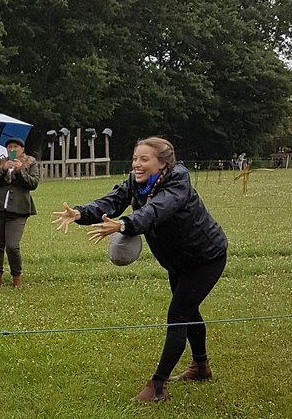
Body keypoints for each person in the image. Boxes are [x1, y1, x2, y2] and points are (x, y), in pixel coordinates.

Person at [52, 137, 227, 403]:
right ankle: (201, 367)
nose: (137, 164)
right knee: (188, 311)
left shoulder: (177, 182)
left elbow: (156, 211)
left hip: (206, 257)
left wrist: (123, 225)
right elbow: (112, 201)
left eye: (144, 159)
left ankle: (158, 386)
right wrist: (79, 213)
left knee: (178, 314)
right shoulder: (137, 183)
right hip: (177, 260)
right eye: (135, 159)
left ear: (162, 163)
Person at [0, 137, 38, 288]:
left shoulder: (30, 163)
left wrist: (20, 170)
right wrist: (2, 170)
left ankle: (16, 277)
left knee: (13, 246)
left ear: (22, 149)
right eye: (9, 147)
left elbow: (33, 184)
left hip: (19, 209)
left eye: (15, 147)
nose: (12, 150)